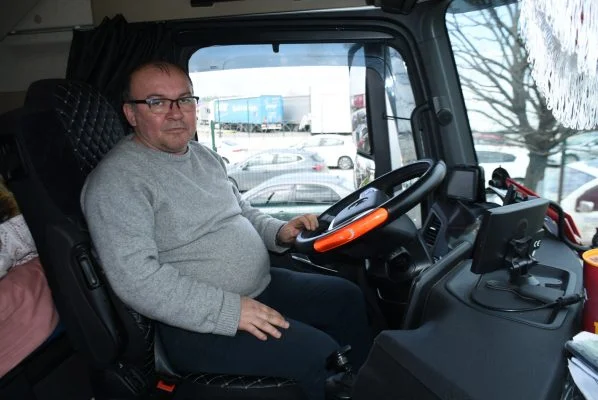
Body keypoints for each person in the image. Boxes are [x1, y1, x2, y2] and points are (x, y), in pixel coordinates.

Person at [80, 61, 373, 400]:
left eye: (184, 99)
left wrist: (279, 232)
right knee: (321, 356)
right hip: (194, 324)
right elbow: (137, 279)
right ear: (131, 114)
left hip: (258, 288)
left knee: (346, 298)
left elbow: (241, 210)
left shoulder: (203, 156)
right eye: (157, 102)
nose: (176, 113)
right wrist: (229, 310)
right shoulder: (117, 181)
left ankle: (369, 388)